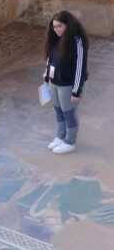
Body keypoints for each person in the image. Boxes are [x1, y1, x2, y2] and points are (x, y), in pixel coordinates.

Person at [43, 10, 89, 154]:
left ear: (68, 25)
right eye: (54, 26)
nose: (56, 30)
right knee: (58, 112)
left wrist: (76, 91)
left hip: (69, 85)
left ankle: (70, 142)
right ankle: (60, 136)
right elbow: (50, 59)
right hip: (54, 82)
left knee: (68, 113)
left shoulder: (77, 41)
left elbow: (80, 68)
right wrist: (46, 77)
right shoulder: (56, 38)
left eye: (59, 26)